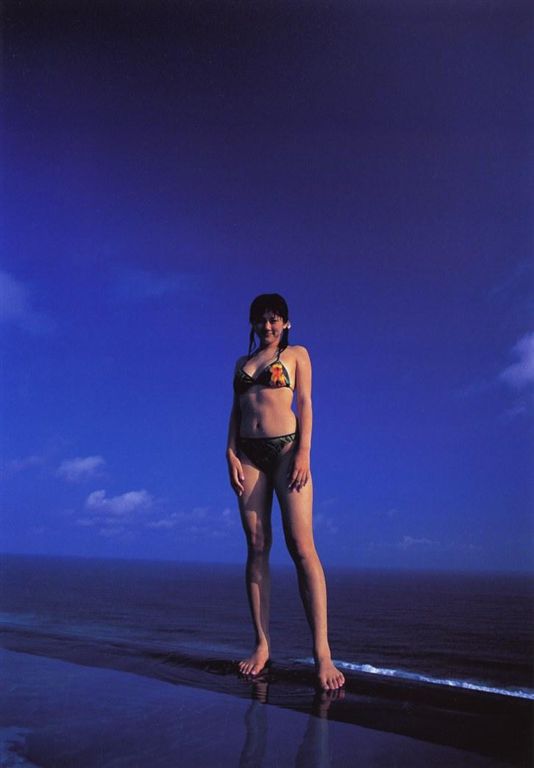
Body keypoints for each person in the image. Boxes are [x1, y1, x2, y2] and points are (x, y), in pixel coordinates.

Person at [226, 293, 345, 691]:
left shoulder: (297, 355)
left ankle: (322, 653)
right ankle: (261, 645)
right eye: (261, 320)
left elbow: (306, 403)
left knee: (301, 545)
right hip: (248, 454)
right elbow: (236, 411)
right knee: (257, 544)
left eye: (274, 319)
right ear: (253, 324)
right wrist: (229, 452)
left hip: (288, 450)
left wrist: (304, 453)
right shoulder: (241, 364)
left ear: (286, 323)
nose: (268, 326)